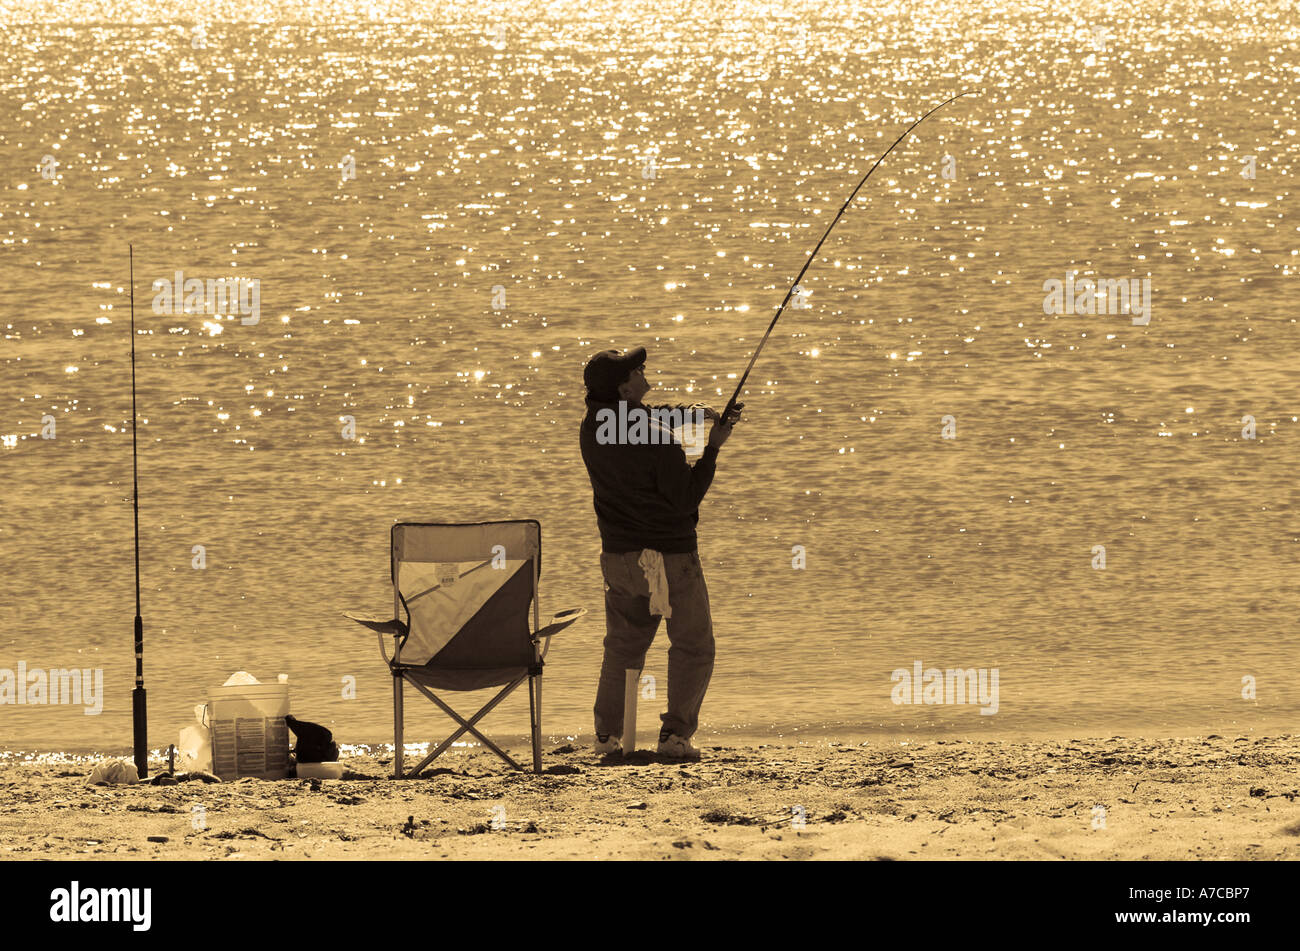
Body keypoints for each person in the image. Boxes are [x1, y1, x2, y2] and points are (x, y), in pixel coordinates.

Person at [578, 346, 743, 760]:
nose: (648, 380)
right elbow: (685, 500)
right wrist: (713, 449)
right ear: (623, 387)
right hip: (671, 558)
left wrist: (690, 411)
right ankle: (675, 737)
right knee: (693, 645)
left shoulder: (592, 427)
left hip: (620, 560)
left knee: (623, 647)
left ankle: (606, 736)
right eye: (639, 373)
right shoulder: (660, 439)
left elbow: (635, 418)